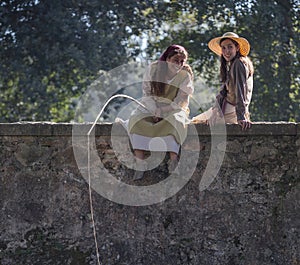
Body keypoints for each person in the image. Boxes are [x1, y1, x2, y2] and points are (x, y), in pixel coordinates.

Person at [127, 44, 194, 179]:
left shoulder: (185, 75)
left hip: (172, 108)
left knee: (175, 121)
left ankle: (173, 160)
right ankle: (140, 162)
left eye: (182, 61)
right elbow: (147, 93)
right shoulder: (154, 69)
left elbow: (181, 100)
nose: (179, 64)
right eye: (176, 60)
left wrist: (163, 111)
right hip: (151, 106)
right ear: (167, 59)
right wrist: (154, 110)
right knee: (136, 119)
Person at [192, 32, 254, 130]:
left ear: (237, 48)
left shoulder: (239, 63)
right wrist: (215, 111)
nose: (226, 51)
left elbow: (240, 91)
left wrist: (241, 116)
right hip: (227, 109)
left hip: (230, 110)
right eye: (223, 48)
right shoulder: (235, 64)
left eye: (230, 47)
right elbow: (223, 92)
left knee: (192, 124)